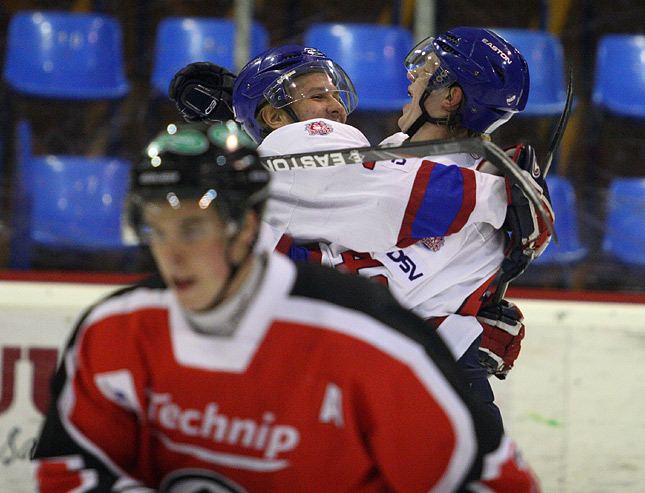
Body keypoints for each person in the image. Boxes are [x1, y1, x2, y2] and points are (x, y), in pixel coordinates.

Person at [31, 122, 541, 492]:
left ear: (249, 228)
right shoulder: (113, 332)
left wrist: (453, 328)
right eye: (156, 230)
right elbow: (70, 469)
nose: (172, 254)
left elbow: (493, 481)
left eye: (193, 229)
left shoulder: (368, 338)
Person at [168, 28, 554, 426]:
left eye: (426, 70)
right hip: (374, 378)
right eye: (320, 96)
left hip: (415, 392)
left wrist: (461, 332)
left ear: (450, 97)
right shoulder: (398, 158)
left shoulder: (469, 197)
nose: (411, 76)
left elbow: (368, 250)